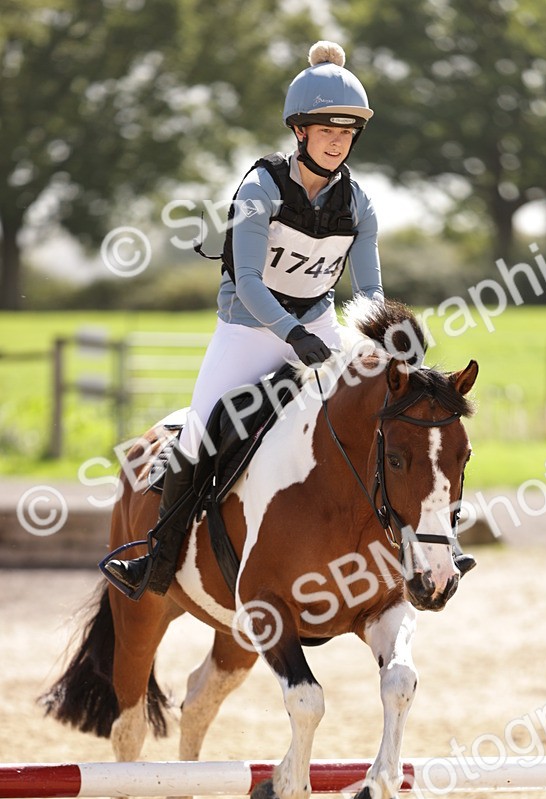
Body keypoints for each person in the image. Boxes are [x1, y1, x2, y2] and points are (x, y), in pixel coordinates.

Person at [104, 40, 474, 598]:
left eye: (347, 132)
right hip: (249, 330)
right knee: (200, 435)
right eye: (326, 129)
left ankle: (433, 540)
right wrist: (290, 334)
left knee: (395, 412)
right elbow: (249, 283)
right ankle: (156, 556)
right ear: (299, 131)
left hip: (319, 326)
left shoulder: (359, 204)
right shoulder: (260, 189)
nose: (337, 140)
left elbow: (369, 288)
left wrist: (389, 347)